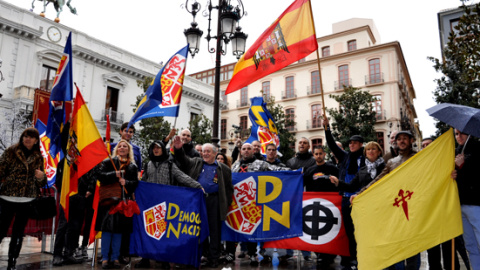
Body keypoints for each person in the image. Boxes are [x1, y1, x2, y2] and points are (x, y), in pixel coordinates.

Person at [354, 131, 420, 270]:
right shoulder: (391, 162)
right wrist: (360, 193)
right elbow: (377, 181)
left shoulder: (419, 157)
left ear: (411, 140)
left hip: (414, 205)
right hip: (396, 207)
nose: (402, 141)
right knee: (397, 242)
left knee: (413, 244)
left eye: (405, 139)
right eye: (399, 139)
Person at [135, 140, 203, 269]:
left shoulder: (170, 164)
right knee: (148, 231)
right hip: (150, 204)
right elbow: (143, 182)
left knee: (162, 233)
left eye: (158, 148)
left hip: (164, 204)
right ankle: (145, 258)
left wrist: (197, 186)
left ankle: (164, 260)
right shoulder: (148, 164)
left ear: (163, 149)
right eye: (154, 148)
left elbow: (182, 177)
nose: (156, 150)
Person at [172, 137, 233, 268]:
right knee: (196, 227)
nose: (205, 153)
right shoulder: (196, 162)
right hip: (197, 200)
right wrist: (178, 148)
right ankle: (199, 255)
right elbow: (183, 159)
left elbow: (229, 188)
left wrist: (226, 204)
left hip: (214, 201)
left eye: (208, 151)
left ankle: (214, 258)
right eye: (203, 151)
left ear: (215, 153)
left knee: (214, 230)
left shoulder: (224, 169)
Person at [230, 142, 290, 266]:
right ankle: (232, 253)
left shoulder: (261, 163)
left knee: (252, 228)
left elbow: (278, 170)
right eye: (244, 149)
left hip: (254, 202)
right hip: (238, 202)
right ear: (240, 151)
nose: (246, 151)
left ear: (253, 151)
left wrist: (294, 172)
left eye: (249, 149)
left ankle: (252, 254)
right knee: (236, 227)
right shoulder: (235, 166)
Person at [0, 127, 47, 270]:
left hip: (27, 200)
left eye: (31, 137)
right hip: (8, 197)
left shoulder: (38, 157)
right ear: (22, 137)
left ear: (35, 140)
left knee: (18, 233)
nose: (28, 139)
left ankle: (12, 262)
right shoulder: (11, 151)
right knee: (1, 229)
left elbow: (41, 183)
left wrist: (41, 177)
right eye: (26, 136)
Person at [324, 116, 365, 269]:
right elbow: (332, 145)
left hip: (362, 198)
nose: (352, 145)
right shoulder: (345, 156)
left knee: (361, 229)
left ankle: (364, 256)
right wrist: (327, 128)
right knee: (349, 230)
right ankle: (353, 258)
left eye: (355, 143)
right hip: (346, 198)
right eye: (350, 143)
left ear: (361, 144)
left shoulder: (366, 158)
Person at [96, 140, 138, 269]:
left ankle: (115, 258)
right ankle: (105, 258)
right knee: (107, 231)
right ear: (117, 149)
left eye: (125, 146)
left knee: (119, 231)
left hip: (123, 202)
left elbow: (135, 184)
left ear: (129, 150)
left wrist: (127, 183)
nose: (122, 148)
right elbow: (99, 175)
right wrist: (115, 174)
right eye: (120, 146)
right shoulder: (109, 162)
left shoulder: (132, 166)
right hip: (109, 201)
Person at [304, 145, 339, 267]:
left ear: (324, 154)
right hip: (315, 205)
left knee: (330, 229)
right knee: (317, 231)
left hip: (331, 204)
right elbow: (304, 186)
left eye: (320, 153)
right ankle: (319, 254)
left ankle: (330, 255)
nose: (318, 156)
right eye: (316, 154)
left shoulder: (333, 168)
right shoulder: (309, 171)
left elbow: (338, 184)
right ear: (313, 155)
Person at [452, 129, 480, 270]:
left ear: (469, 133)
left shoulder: (476, 147)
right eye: (456, 134)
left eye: (461, 133)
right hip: (461, 204)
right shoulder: (457, 151)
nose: (459, 136)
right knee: (470, 245)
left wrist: (464, 165)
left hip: (475, 203)